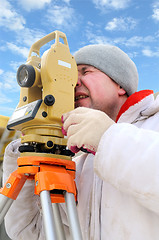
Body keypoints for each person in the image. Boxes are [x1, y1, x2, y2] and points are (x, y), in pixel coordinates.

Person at [2, 44, 159, 240]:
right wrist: (26, 154)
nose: (73, 82)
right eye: (68, 74)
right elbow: (32, 233)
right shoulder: (79, 161)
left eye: (85, 71)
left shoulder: (154, 123)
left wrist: (106, 139)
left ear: (120, 84)